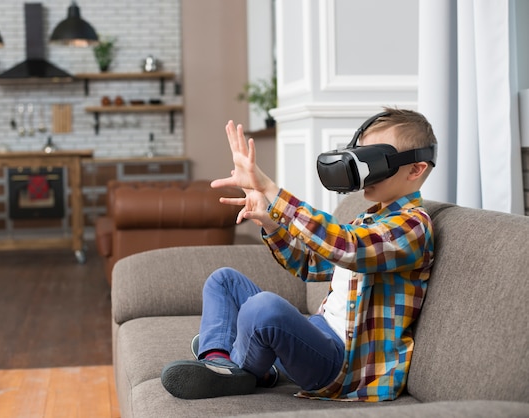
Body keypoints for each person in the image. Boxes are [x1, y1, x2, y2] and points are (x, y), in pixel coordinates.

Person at [160, 108, 437, 402]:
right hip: (316, 337)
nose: (363, 171)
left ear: (415, 169)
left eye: (375, 159)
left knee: (263, 308)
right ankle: (220, 361)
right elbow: (308, 265)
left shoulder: (413, 228)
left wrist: (271, 189)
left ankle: (237, 363)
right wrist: (269, 221)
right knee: (223, 280)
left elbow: (348, 247)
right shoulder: (366, 221)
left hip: (342, 367)